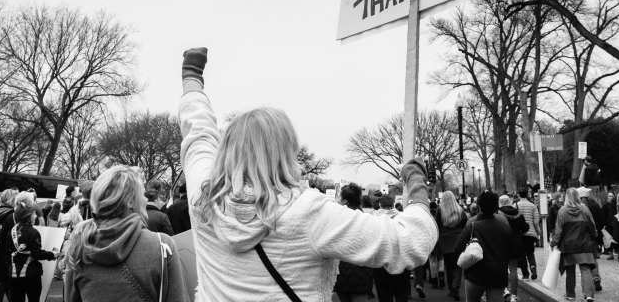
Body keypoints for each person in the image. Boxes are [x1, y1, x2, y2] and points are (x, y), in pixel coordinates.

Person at [178, 48, 437, 300]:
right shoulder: (307, 212)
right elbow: (410, 242)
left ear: (227, 150)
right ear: (285, 152)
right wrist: (416, 183)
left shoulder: (204, 197)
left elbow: (198, 134)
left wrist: (192, 81)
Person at [63, 165, 189, 302]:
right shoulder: (162, 245)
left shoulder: (79, 246)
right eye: (142, 195)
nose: (146, 200)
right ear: (130, 201)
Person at [452, 191, 515, 302]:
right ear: (496, 208)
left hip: (475, 275)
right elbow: (513, 252)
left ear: (479, 207)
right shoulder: (505, 227)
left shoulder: (472, 225)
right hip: (498, 275)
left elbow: (457, 249)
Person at [5, 191, 58, 302]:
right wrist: (52, 254)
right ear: (29, 216)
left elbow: (7, 251)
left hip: (13, 274)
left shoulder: (11, 231)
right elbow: (36, 254)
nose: (35, 216)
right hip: (31, 275)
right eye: (34, 214)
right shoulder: (33, 232)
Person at [552, 187, 597, 302]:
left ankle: (570, 294)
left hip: (568, 246)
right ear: (578, 196)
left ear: (566, 197)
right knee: (586, 269)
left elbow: (558, 230)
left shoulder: (562, 211)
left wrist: (554, 242)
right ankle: (588, 295)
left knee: (570, 271)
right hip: (584, 244)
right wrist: (593, 236)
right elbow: (592, 226)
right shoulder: (585, 210)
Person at [334, 183, 374, 302]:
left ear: (345, 201)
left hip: (341, 270)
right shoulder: (368, 220)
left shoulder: (337, 220)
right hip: (362, 271)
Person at [0, 188, 19, 302]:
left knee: (1, 283)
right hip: (6, 255)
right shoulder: (11, 215)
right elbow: (12, 237)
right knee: (3, 284)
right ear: (12, 200)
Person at [436, 191, 468, 301]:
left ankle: (451, 288)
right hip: (458, 239)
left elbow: (437, 226)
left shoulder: (440, 211)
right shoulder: (460, 210)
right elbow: (465, 225)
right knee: (458, 265)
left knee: (448, 266)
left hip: (445, 241)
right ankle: (456, 285)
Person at [498, 194, 529, 302]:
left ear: (500, 202)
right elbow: (525, 227)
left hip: (502, 243)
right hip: (515, 243)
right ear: (510, 201)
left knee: (502, 268)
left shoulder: (497, 213)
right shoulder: (518, 213)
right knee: (513, 269)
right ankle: (514, 295)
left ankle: (505, 290)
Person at [578, 187, 604, 291]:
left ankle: (588, 284)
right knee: (593, 259)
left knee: (584, 262)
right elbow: (602, 220)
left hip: (581, 237)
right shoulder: (595, 205)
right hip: (594, 236)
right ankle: (596, 278)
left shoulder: (578, 207)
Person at [515, 187, 540, 280]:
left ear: (518, 195)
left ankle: (525, 275)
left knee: (522, 255)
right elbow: (536, 220)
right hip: (530, 233)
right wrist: (538, 232)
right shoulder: (532, 206)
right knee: (530, 253)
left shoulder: (515, 205)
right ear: (528, 194)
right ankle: (533, 268)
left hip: (520, 234)